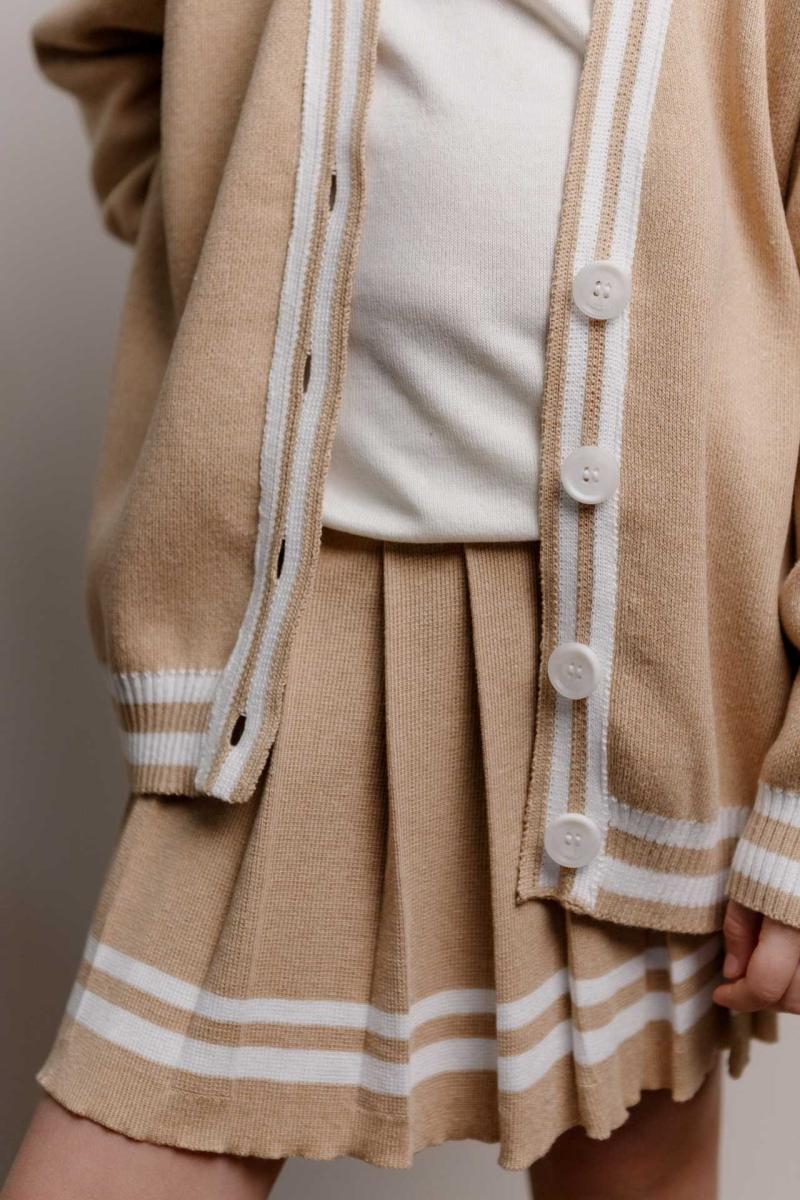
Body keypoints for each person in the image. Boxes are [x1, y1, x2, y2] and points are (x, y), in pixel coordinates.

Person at [6, 0, 800, 1196]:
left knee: (632, 1169)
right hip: (286, 653)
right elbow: (110, 36)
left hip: (634, 682)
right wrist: (222, 253)